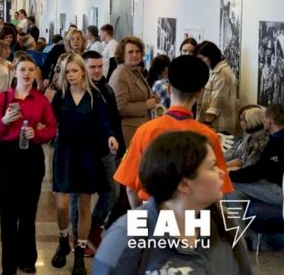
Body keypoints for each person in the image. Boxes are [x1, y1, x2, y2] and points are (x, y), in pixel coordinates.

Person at [94, 131, 252, 275]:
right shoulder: (125, 234)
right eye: (212, 167)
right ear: (184, 184)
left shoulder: (224, 225)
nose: (221, 172)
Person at [113, 55, 233, 209]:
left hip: (153, 208)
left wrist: (141, 215)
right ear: (200, 93)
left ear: (169, 89)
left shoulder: (145, 131)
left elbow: (130, 187)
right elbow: (219, 190)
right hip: (193, 213)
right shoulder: (208, 136)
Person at [0, 54, 57, 275]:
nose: (27, 74)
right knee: (8, 214)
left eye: (31, 70)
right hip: (8, 157)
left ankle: (27, 258)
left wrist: (37, 133)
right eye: (23, 70)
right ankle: (8, 265)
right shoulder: (4, 98)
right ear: (15, 72)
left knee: (28, 212)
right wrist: (4, 121)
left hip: (32, 157)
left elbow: (51, 128)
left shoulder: (40, 100)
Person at [50, 54, 115, 274]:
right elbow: (49, 120)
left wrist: (110, 136)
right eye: (67, 72)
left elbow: (104, 123)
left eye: (74, 71)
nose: (71, 75)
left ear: (82, 72)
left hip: (87, 154)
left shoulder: (94, 96)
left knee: (84, 205)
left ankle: (79, 251)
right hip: (64, 153)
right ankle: (62, 239)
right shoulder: (60, 96)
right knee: (62, 204)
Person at [228, 103, 284, 208]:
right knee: (233, 193)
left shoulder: (277, 141)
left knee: (227, 182)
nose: (262, 121)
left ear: (269, 120)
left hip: (279, 190)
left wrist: (229, 174)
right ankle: (233, 219)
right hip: (271, 184)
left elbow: (258, 170)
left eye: (264, 117)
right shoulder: (274, 139)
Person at [108, 36, 158, 145]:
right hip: (128, 133)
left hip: (140, 129)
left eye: (138, 51)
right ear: (122, 54)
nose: (135, 55)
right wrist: (146, 105)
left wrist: (152, 98)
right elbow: (121, 108)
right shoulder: (120, 74)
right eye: (130, 52)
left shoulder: (135, 70)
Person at [195, 41, 238, 134]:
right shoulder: (216, 71)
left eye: (202, 59)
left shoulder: (222, 73)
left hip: (220, 126)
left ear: (211, 57)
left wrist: (207, 123)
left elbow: (217, 103)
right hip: (216, 125)